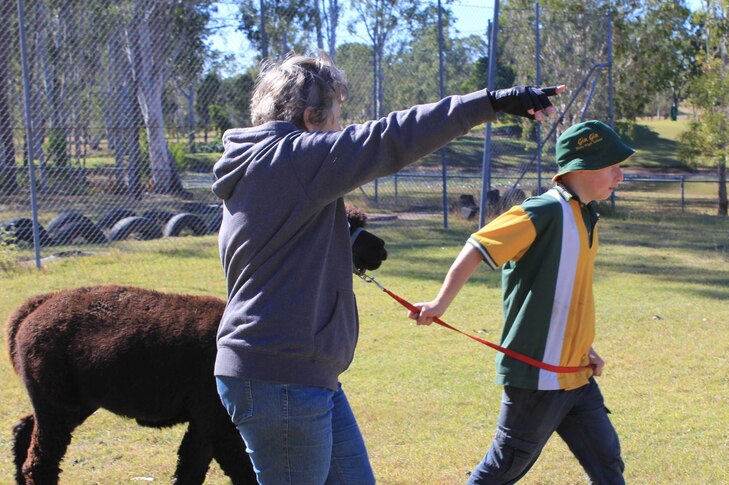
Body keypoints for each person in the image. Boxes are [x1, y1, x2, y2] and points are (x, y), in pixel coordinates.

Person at [211, 52, 564, 484]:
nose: (339, 131)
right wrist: (488, 103)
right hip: (281, 376)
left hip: (299, 373)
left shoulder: (263, 164)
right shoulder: (294, 158)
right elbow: (389, 137)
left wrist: (342, 243)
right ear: (309, 117)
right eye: (336, 118)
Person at [410, 120, 632, 484]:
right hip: (538, 378)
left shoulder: (587, 215)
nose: (620, 176)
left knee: (607, 460)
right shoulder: (544, 211)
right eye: (613, 166)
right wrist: (439, 303)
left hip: (575, 375)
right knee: (502, 469)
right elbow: (477, 246)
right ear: (582, 168)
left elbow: (566, 293)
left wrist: (584, 346)